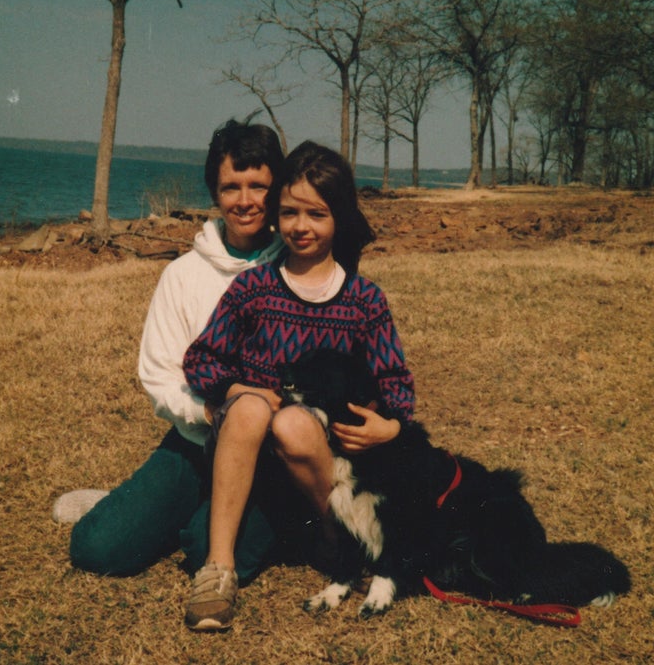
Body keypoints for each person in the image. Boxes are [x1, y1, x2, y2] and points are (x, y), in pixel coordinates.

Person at [182, 140, 415, 630]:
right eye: (289, 212)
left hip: (321, 468)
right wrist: (239, 390)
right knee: (253, 411)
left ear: (340, 218)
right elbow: (200, 360)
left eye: (317, 214)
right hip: (247, 457)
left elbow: (396, 384)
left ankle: (340, 543)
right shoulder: (253, 288)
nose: (300, 226)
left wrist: (389, 429)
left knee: (293, 422)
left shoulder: (363, 299)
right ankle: (217, 571)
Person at [58, 118, 289, 583]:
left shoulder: (296, 264)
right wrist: (209, 414)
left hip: (274, 456)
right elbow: (160, 377)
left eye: (258, 185)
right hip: (196, 442)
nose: (245, 200)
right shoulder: (183, 275)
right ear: (214, 193)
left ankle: (231, 518)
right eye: (231, 187)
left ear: (278, 188)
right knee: (96, 547)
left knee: (210, 549)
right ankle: (139, 504)